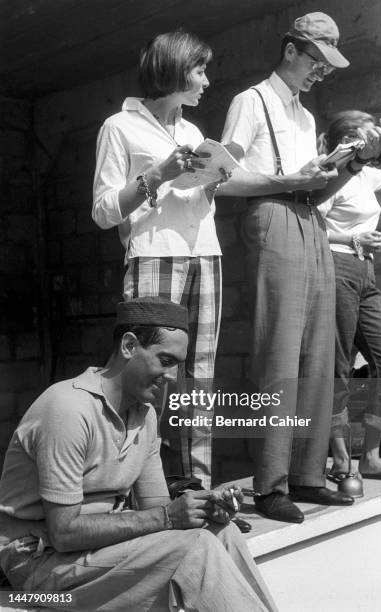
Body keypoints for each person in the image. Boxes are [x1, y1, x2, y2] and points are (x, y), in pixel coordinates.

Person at [0, 297, 277, 612]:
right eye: (165, 360)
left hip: (93, 554)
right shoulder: (68, 409)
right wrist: (169, 517)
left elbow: (159, 510)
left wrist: (202, 509)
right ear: (129, 346)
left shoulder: (143, 415)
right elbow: (63, 533)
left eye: (178, 364)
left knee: (220, 532)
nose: (173, 376)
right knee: (194, 549)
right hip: (35, 571)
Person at [217, 12, 381, 522]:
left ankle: (309, 475)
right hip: (272, 218)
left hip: (310, 220)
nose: (323, 72)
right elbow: (220, 180)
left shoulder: (307, 118)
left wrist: (355, 163)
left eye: (329, 66)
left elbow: (313, 190)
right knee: (279, 355)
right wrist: (285, 178)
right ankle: (270, 483)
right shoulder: (251, 101)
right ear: (291, 50)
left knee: (318, 355)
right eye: (317, 60)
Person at [93, 30, 227, 490]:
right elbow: (104, 210)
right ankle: (139, 494)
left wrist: (212, 181)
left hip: (205, 254)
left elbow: (190, 201)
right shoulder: (119, 126)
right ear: (173, 69)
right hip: (153, 254)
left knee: (200, 375)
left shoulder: (192, 131)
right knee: (147, 372)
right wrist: (160, 173)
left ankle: (197, 489)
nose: (206, 81)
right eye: (199, 70)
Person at [317, 110, 381, 482]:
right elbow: (311, 227)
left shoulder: (366, 175)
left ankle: (370, 456)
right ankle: (340, 459)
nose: (372, 146)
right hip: (338, 269)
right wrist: (352, 238)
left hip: (365, 275)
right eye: (366, 139)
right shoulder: (329, 175)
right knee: (340, 369)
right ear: (349, 141)